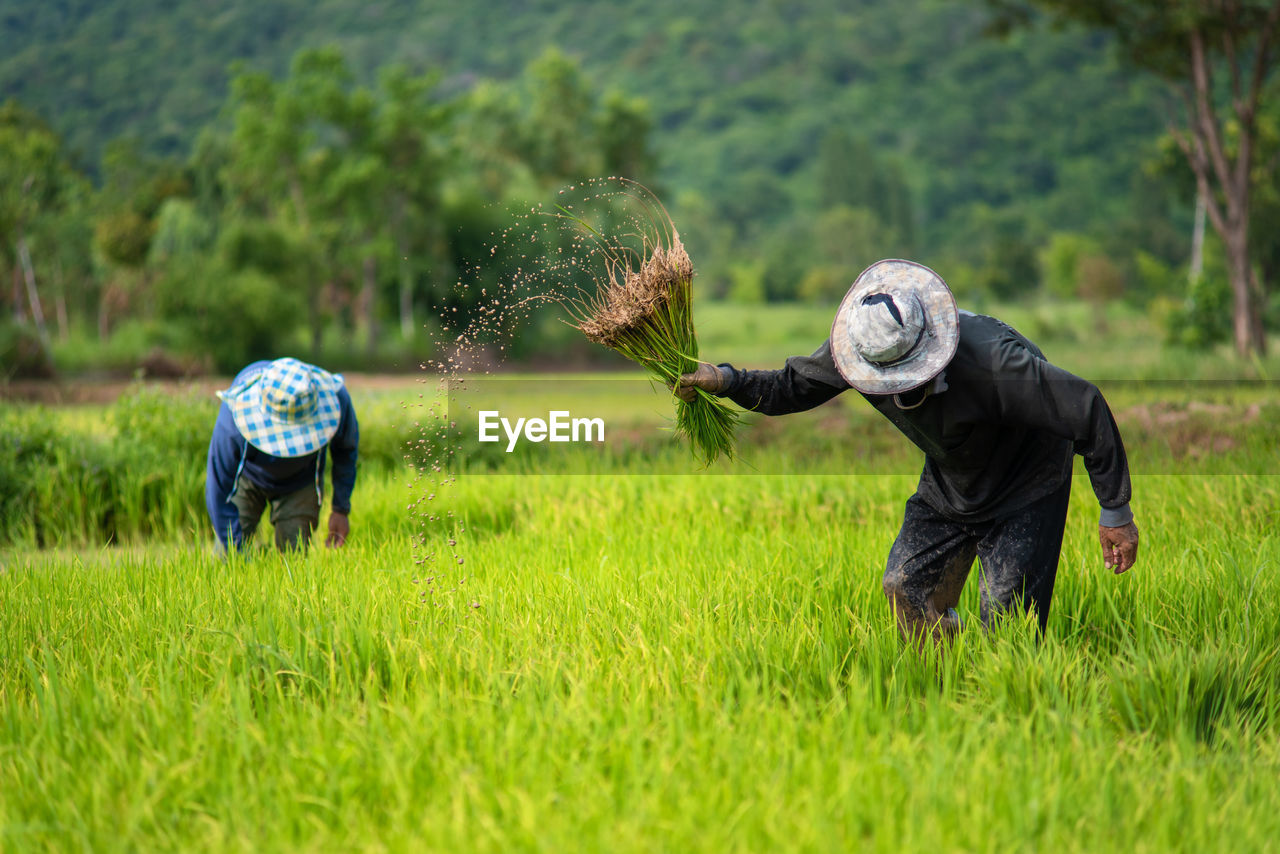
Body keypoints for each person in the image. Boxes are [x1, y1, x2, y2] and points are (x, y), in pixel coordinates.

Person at [677, 259, 1139, 641]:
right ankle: (937, 690)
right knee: (905, 587)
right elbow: (791, 387)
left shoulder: (994, 362)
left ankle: (1010, 703)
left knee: (1008, 622)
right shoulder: (862, 347)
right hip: (950, 480)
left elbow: (1086, 407)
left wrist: (1114, 511)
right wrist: (724, 380)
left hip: (1026, 480)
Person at [205, 357, 359, 554]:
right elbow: (218, 488)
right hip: (247, 477)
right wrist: (236, 553)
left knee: (293, 560)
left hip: (301, 481)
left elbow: (345, 451)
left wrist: (340, 508)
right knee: (226, 558)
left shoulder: (336, 398)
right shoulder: (233, 419)